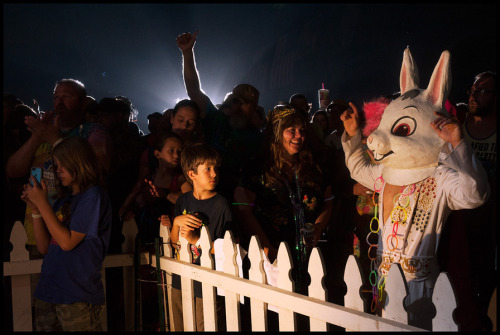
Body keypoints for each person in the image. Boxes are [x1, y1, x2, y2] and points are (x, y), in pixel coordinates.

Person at [5, 78, 112, 313]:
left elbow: (95, 167)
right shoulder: (41, 132)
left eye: (67, 96)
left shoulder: (92, 132)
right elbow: (13, 170)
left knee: (70, 308)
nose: (59, 102)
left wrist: (52, 137)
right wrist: (37, 137)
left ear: (83, 103)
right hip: (41, 230)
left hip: (71, 231)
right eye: (55, 97)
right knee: (43, 307)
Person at [234, 105, 334, 293]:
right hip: (272, 257)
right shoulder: (256, 169)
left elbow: (328, 202)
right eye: (291, 130)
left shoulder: (314, 167)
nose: (298, 136)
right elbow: (243, 211)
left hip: (312, 259)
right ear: (277, 133)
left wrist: (319, 226)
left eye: (302, 130)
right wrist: (267, 247)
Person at [20, 136, 112, 331]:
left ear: (79, 161)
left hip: (76, 294)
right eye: (56, 165)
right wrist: (36, 210)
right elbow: (45, 247)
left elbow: (68, 243)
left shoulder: (93, 196)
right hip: (50, 290)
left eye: (62, 164)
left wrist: (43, 203)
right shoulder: (65, 201)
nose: (58, 170)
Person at [176, 30, 263, 202]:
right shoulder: (216, 120)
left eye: (245, 103)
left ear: (254, 109)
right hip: (205, 195)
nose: (238, 106)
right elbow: (194, 90)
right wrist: (187, 53)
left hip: (239, 200)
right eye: (236, 101)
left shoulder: (258, 140)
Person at [169, 142, 231, 331]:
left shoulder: (221, 204)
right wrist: (176, 223)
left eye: (215, 169)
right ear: (192, 174)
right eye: (208, 169)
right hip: (180, 279)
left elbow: (226, 248)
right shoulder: (183, 201)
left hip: (207, 283)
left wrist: (197, 240)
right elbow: (174, 244)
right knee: (180, 325)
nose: (214, 174)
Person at [460, 71, 497, 330]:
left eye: (483, 91)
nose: (475, 95)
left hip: (491, 221)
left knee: (486, 278)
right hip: (461, 218)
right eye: (473, 89)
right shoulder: (459, 124)